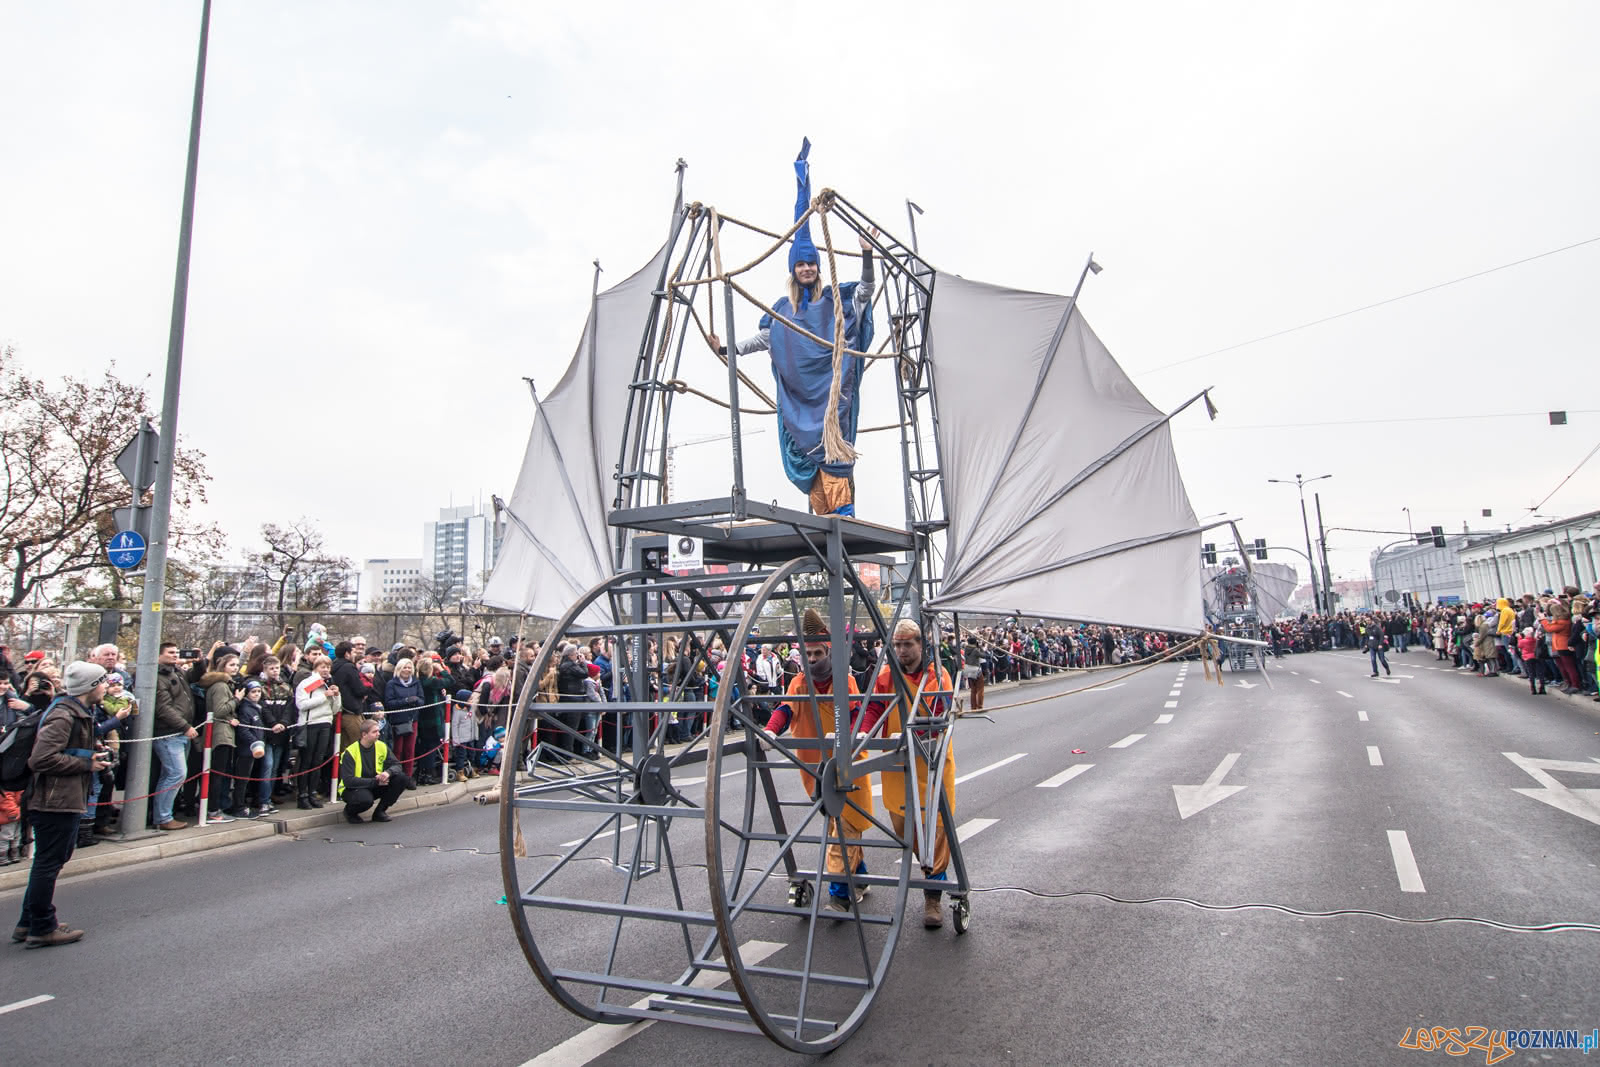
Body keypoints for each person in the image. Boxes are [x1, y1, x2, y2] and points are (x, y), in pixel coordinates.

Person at [707, 139, 876, 516]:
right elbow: (759, 341)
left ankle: (843, 520)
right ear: (793, 270)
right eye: (801, 265)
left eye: (811, 264)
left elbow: (865, 292)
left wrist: (866, 254)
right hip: (800, 407)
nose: (808, 269)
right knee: (810, 467)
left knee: (834, 459)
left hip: (831, 401)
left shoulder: (834, 302)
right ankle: (828, 523)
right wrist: (725, 349)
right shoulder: (782, 313)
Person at [764, 608, 873, 914]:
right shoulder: (799, 683)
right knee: (839, 824)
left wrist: (850, 736)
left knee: (845, 826)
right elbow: (786, 709)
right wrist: (770, 730)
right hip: (816, 768)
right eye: (808, 654)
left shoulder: (845, 681)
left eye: (817, 653)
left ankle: (840, 895)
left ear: (828, 651)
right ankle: (860, 877)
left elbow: (855, 715)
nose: (812, 660)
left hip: (847, 766)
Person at [862, 620, 959, 930]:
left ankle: (933, 896)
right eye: (897, 645)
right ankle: (931, 870)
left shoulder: (937, 675)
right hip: (898, 765)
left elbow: (939, 713)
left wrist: (917, 733)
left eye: (907, 644)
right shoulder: (886, 675)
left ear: (920, 644)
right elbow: (873, 708)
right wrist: (862, 732)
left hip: (932, 763)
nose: (902, 650)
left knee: (936, 830)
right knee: (905, 828)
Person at [15, 661, 111, 948]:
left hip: (58, 798)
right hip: (54, 801)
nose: (106, 687)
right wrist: (86, 764)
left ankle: (28, 923)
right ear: (90, 687)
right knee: (48, 864)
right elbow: (41, 759)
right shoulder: (64, 714)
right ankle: (42, 928)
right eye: (102, 682)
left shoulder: (72, 710)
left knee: (48, 862)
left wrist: (88, 754)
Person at [151, 642, 197, 830]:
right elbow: (163, 708)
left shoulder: (176, 672)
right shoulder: (157, 677)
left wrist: (199, 662)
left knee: (173, 774)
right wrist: (184, 726)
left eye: (177, 652)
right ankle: (163, 817)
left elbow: (196, 677)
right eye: (170, 652)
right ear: (159, 655)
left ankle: (163, 815)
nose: (175, 655)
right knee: (176, 773)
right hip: (169, 732)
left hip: (180, 732)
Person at [199, 648, 244, 822]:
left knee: (220, 774)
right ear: (223, 666)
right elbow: (218, 711)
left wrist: (231, 717)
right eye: (231, 665)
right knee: (217, 774)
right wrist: (236, 700)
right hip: (220, 734)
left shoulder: (225, 685)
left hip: (224, 731)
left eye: (237, 665)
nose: (235, 668)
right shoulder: (220, 686)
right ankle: (213, 811)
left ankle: (215, 808)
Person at [339, 718, 411, 823]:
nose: (378, 734)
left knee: (402, 778)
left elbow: (397, 765)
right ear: (364, 734)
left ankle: (380, 812)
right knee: (365, 800)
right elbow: (348, 781)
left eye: (378, 731)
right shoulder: (350, 752)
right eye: (374, 732)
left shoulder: (381, 746)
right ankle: (350, 812)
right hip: (353, 788)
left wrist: (388, 773)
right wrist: (375, 782)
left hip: (376, 783)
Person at [293, 656, 338, 809]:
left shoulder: (328, 684)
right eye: (322, 667)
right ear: (316, 668)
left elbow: (335, 709)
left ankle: (312, 792)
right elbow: (302, 705)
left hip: (325, 722)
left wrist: (336, 696)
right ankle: (302, 795)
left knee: (318, 760)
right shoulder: (307, 683)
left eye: (328, 667)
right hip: (310, 724)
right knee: (306, 760)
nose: (326, 670)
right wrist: (323, 696)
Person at [383, 657, 423, 780]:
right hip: (398, 721)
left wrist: (416, 701)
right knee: (398, 750)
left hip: (412, 720)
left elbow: (422, 700)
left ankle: (408, 776)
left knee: (410, 750)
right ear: (399, 669)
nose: (407, 670)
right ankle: (396, 776)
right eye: (405, 667)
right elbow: (389, 703)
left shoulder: (416, 682)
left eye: (409, 667)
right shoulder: (392, 684)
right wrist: (405, 701)